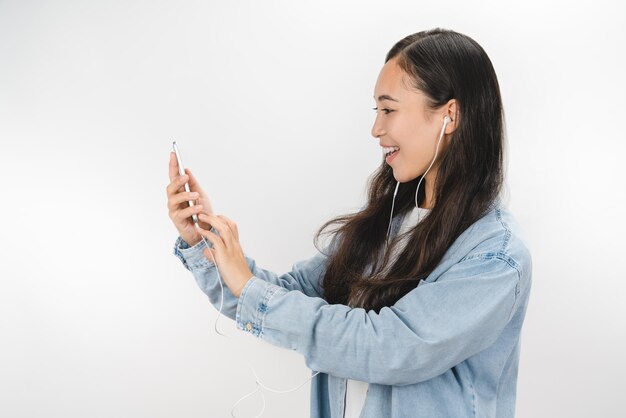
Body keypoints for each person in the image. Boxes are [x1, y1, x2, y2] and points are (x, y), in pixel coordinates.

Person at [167, 27, 532, 418]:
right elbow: (289, 295)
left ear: (450, 115)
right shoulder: (385, 224)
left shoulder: (495, 257)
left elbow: (389, 348)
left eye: (389, 110)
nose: (376, 129)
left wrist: (251, 288)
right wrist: (204, 241)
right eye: (376, 111)